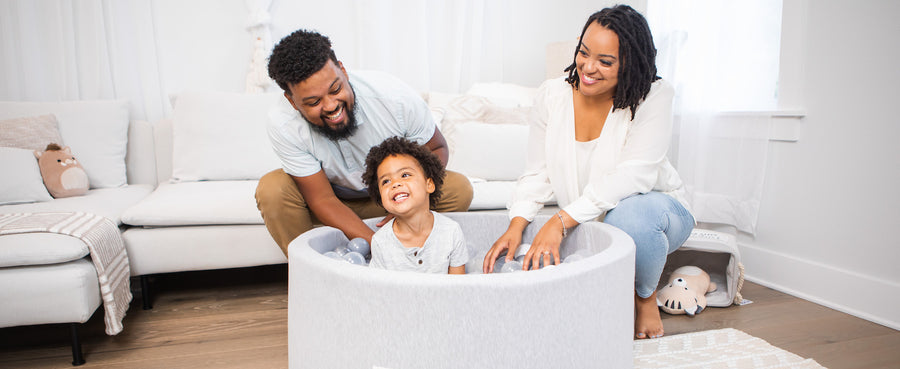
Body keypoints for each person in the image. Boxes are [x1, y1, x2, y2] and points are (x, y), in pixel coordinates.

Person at [482, 5, 695, 340]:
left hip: (659, 212)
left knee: (629, 219)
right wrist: (516, 223)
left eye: (605, 61)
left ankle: (645, 296)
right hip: (596, 219)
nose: (588, 67)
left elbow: (634, 176)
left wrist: (560, 221)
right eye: (583, 52)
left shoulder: (654, 95)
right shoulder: (552, 95)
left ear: (629, 64)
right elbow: (537, 172)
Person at [256, 29, 473, 255]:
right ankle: (315, 268)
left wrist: (405, 201)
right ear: (292, 101)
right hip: (333, 203)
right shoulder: (283, 123)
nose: (331, 106)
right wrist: (380, 247)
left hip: (391, 196)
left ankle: (423, 258)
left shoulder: (394, 97)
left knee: (457, 189)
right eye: (313, 102)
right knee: (273, 190)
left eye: (335, 89)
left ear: (343, 70)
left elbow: (437, 148)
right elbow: (323, 199)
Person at [362, 137, 468, 274]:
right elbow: (381, 291)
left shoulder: (451, 232)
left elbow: (458, 288)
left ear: (429, 185)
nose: (395, 183)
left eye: (405, 175)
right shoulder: (381, 242)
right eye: (386, 181)